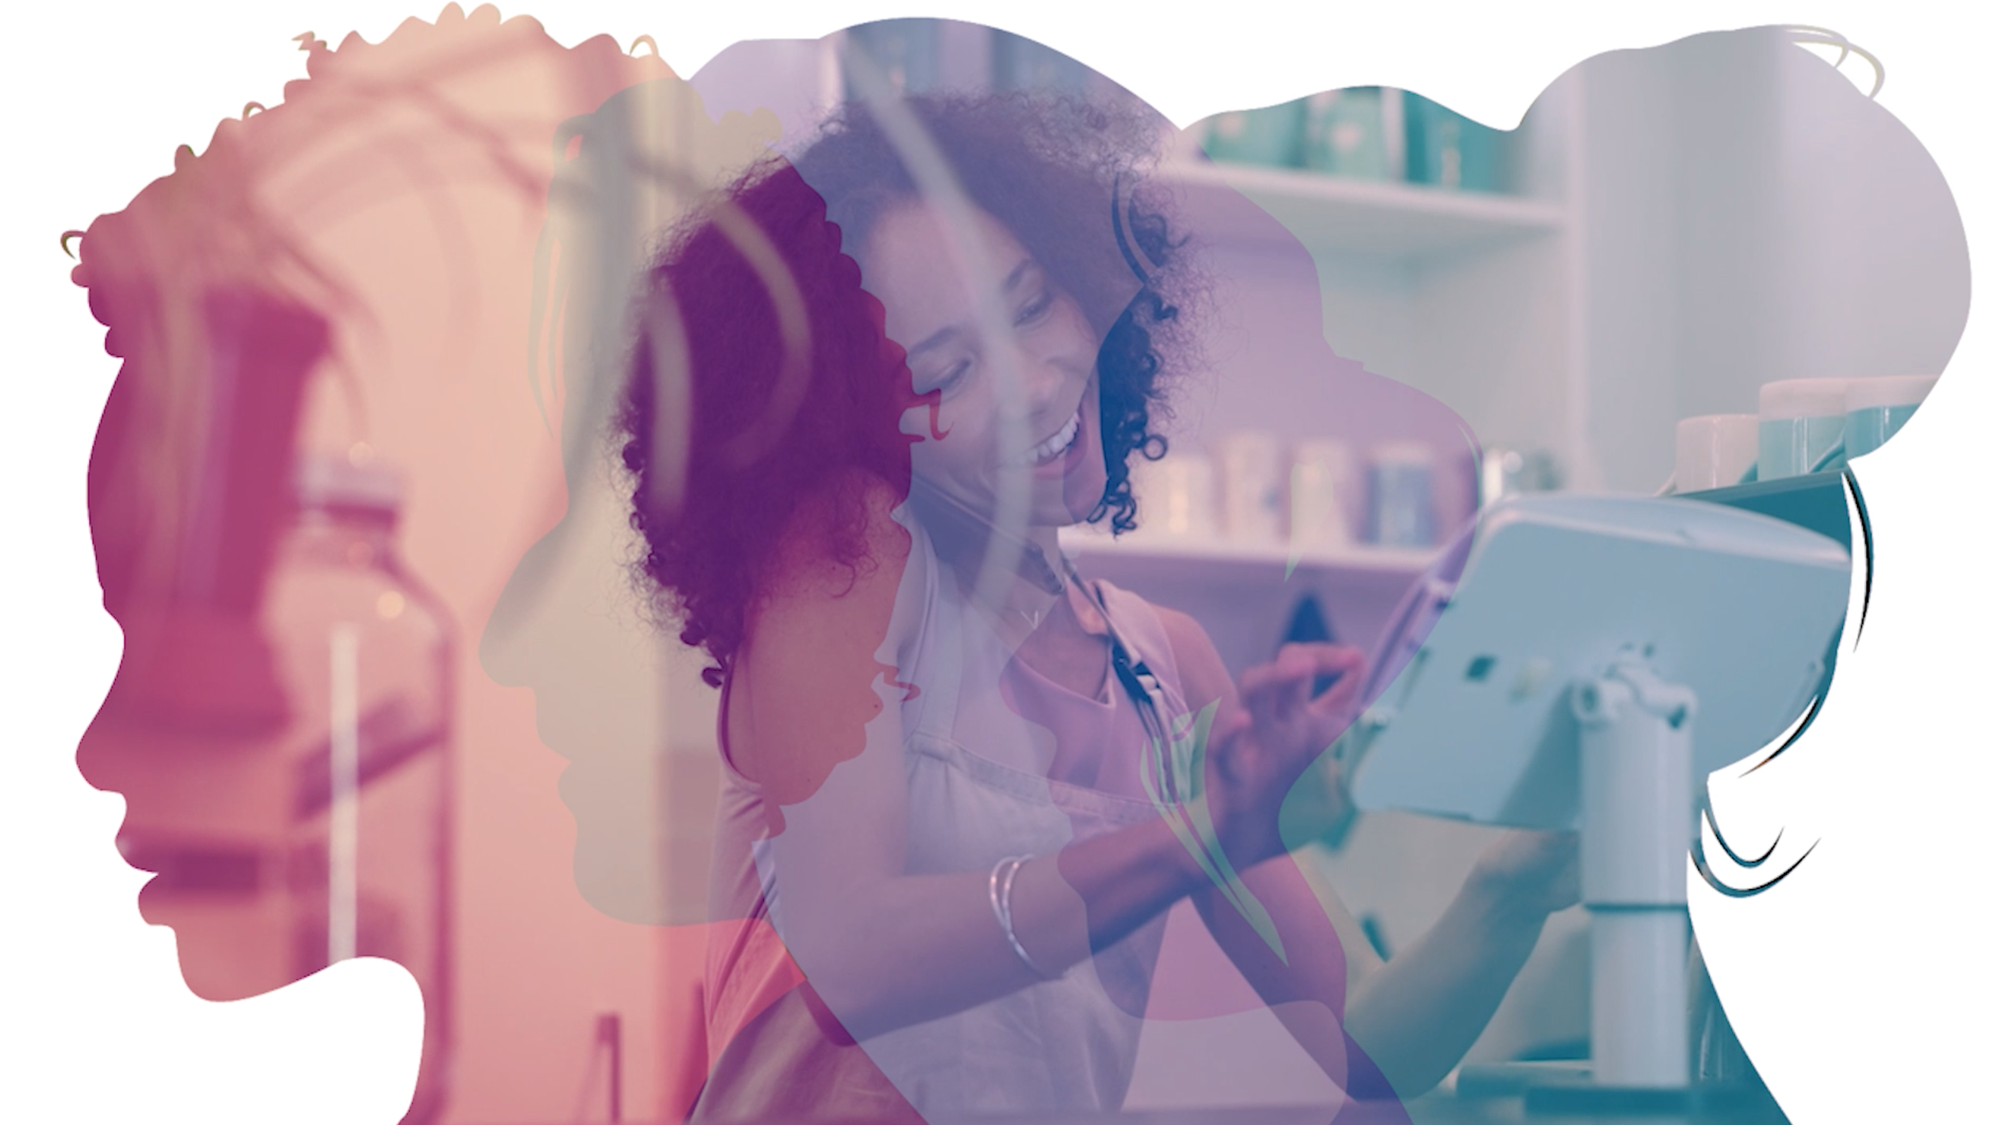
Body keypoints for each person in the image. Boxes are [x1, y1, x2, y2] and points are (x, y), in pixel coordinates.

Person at [611, 89, 1580, 1122]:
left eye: (1030, 305)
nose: (1032, 382)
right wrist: (1195, 836)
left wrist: (1513, 890)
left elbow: (1354, 1049)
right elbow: (853, 959)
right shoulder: (844, 559)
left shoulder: (1162, 666)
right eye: (944, 370)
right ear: (856, 426)